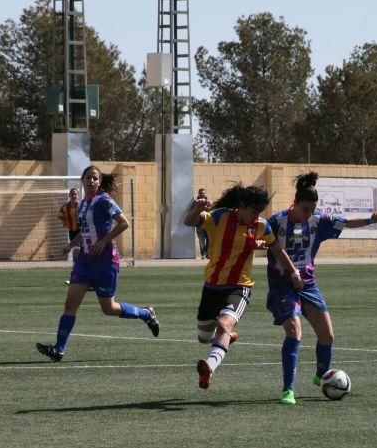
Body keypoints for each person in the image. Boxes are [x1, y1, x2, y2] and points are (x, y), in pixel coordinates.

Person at [267, 172, 377, 405]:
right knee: (294, 332)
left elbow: (343, 222)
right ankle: (287, 390)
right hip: (283, 286)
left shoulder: (317, 220)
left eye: (312, 209)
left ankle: (320, 376)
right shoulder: (276, 222)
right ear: (295, 203)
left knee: (327, 335)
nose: (308, 214)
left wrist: (370, 220)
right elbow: (267, 245)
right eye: (305, 209)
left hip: (308, 283)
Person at [184, 183, 303, 390]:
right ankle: (227, 339)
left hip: (239, 287)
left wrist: (294, 273)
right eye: (253, 212)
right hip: (212, 286)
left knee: (224, 324)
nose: (256, 216)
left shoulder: (261, 226)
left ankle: (209, 368)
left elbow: (277, 250)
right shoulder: (220, 217)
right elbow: (189, 221)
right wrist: (197, 209)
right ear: (242, 206)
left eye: (259, 212)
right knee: (204, 337)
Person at [36, 166, 160, 361]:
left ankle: (146, 314)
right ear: (82, 180)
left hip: (105, 262)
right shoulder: (83, 204)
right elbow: (85, 232)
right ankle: (58, 350)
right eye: (88, 178)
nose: (91, 181)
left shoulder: (104, 201)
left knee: (108, 308)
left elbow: (124, 223)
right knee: (70, 305)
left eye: (95, 178)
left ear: (99, 181)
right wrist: (71, 245)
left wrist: (103, 242)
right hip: (85, 262)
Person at [58, 187, 80, 285]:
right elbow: (60, 215)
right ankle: (76, 279)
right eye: (72, 194)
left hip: (82, 232)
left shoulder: (82, 206)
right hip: (72, 232)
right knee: (77, 255)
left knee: (78, 254)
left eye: (75, 194)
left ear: (78, 196)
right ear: (69, 196)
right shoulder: (65, 207)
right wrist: (64, 222)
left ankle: (78, 279)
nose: (74, 196)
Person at [194, 188, 210, 259]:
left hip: (208, 225)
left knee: (209, 240)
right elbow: (192, 211)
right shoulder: (195, 202)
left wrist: (207, 208)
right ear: (198, 194)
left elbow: (211, 210)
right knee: (201, 241)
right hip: (199, 225)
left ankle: (207, 253)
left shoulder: (208, 202)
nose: (202, 194)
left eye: (203, 193)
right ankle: (202, 253)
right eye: (201, 193)